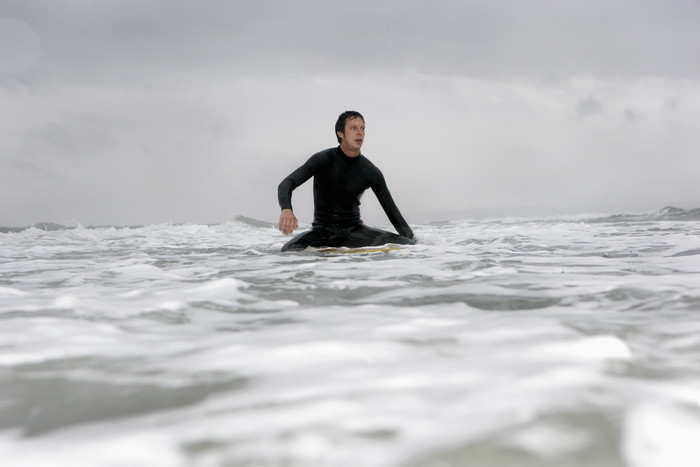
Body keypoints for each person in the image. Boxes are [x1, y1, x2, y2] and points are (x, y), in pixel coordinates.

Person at [277, 110, 416, 252]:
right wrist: (286, 209)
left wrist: (415, 242)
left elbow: (392, 212)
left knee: (408, 243)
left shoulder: (371, 172)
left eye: (362, 128)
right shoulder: (322, 160)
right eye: (353, 128)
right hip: (323, 232)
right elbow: (287, 183)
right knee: (288, 250)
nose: (360, 132)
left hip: (355, 232)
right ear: (340, 133)